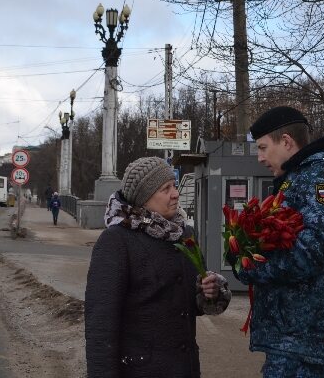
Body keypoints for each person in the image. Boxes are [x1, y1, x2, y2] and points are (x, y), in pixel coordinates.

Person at [233, 106, 324, 378]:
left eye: (262, 148)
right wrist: (246, 248)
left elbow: (313, 251)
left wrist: (250, 265)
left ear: (286, 141)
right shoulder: (300, 177)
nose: (260, 158)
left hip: (306, 335)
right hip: (295, 334)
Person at [85, 156, 232, 378]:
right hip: (139, 370)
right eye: (165, 188)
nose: (175, 193)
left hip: (185, 368)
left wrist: (207, 292)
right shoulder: (116, 240)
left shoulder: (184, 234)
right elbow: (100, 324)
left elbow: (189, 302)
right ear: (143, 198)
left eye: (174, 185)